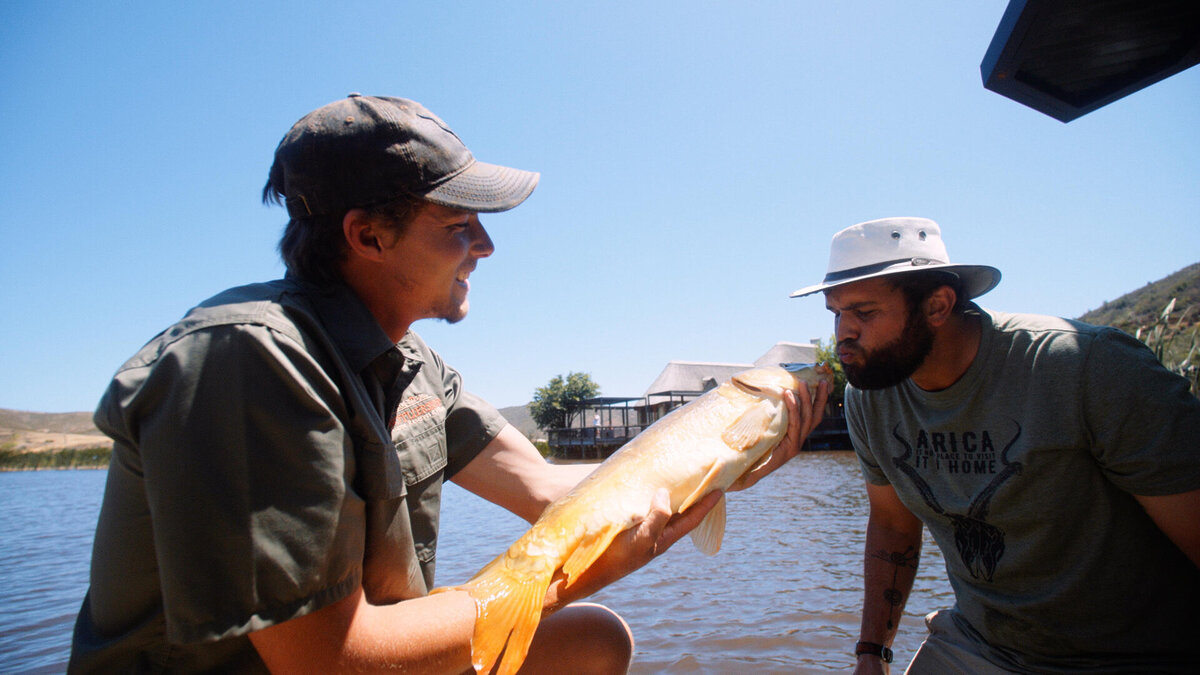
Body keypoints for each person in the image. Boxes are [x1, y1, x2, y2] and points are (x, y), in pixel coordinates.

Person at [68, 94, 829, 674]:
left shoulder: (413, 364)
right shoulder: (248, 359)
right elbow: (328, 661)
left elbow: (554, 494)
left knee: (597, 643)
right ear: (367, 234)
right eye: (459, 224)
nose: (487, 245)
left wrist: (727, 457)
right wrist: (551, 582)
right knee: (577, 621)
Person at [788, 217, 1200, 674]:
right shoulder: (869, 399)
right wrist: (872, 654)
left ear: (938, 305)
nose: (842, 333)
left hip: (1136, 655)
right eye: (835, 313)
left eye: (864, 313)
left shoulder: (1087, 368)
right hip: (981, 646)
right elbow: (892, 527)